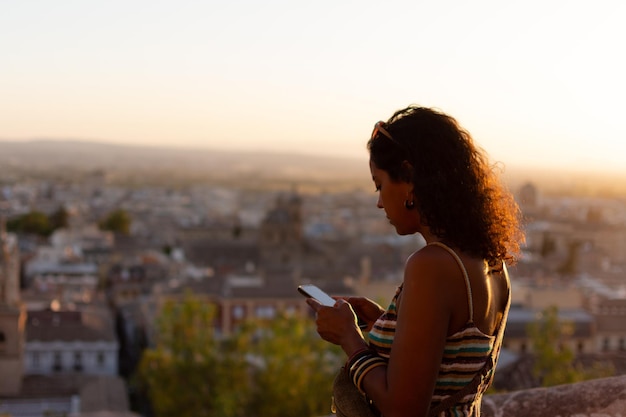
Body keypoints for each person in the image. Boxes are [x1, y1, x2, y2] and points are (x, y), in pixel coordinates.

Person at [306, 105, 525, 417]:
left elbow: (403, 410)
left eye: (380, 184)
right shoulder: (491, 262)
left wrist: (349, 337)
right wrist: (387, 322)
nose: (380, 201)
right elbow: (453, 359)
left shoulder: (432, 265)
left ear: (408, 177)